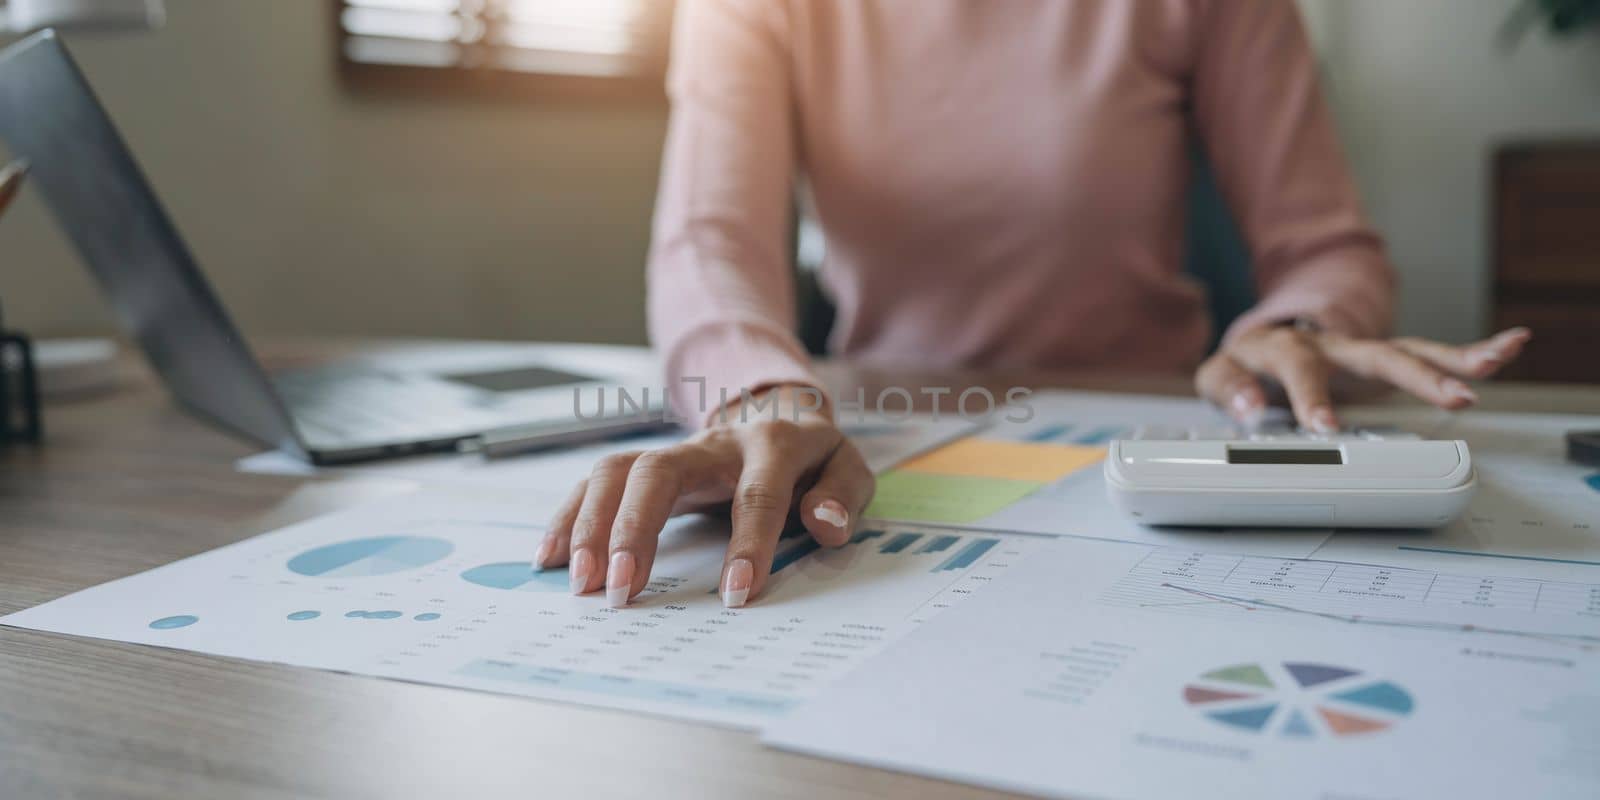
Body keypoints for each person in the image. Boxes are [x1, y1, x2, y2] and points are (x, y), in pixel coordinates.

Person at [532, 0, 1529, 610]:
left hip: (1150, 428)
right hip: (888, 430)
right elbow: (709, 240)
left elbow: (1325, 248)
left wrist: (1298, 324)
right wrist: (755, 393)